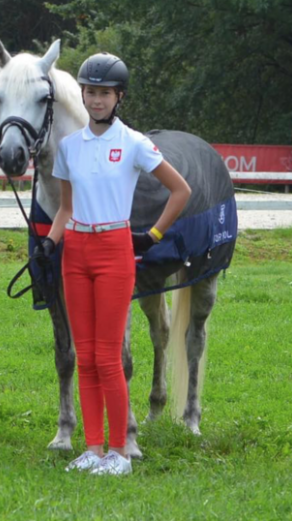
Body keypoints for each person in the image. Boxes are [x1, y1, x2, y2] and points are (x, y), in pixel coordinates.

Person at [41, 53, 191, 476]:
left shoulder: (134, 143)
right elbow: (66, 208)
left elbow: (180, 190)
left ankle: (120, 453)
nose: (96, 100)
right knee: (85, 355)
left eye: (104, 93)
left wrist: (154, 234)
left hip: (114, 249)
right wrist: (50, 243)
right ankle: (93, 448)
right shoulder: (69, 147)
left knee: (108, 357)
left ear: (119, 97)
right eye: (90, 92)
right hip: (76, 252)